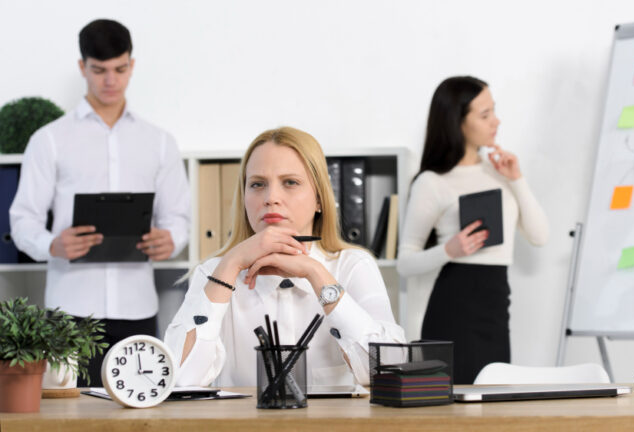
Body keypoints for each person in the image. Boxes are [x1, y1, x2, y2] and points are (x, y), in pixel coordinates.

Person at [9, 19, 190, 386]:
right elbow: (23, 218)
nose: (111, 80)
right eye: (100, 70)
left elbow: (179, 219)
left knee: (140, 413)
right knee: (65, 416)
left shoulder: (159, 142)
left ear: (132, 65)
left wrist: (171, 239)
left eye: (120, 69)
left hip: (138, 308)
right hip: (68, 311)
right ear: (82, 67)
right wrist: (52, 244)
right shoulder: (50, 140)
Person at [165, 127, 405, 387]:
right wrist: (230, 265)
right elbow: (177, 380)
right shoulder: (213, 271)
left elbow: (387, 371)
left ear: (319, 200)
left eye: (290, 182)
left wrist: (317, 275)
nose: (271, 198)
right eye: (257, 184)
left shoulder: (353, 266)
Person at [396, 76, 549, 384]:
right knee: (451, 414)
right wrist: (449, 250)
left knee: (493, 407)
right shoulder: (433, 181)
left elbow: (539, 235)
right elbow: (404, 262)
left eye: (494, 110)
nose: (496, 121)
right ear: (458, 122)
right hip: (453, 306)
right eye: (485, 114)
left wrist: (516, 178)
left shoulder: (501, 171)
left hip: (495, 304)